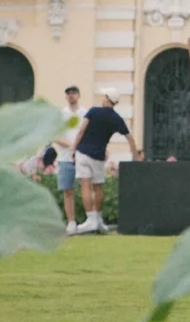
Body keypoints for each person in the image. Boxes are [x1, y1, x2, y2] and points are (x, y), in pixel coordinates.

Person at [70, 87, 141, 234]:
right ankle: (98, 219)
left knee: (85, 185)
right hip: (99, 156)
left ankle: (90, 220)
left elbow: (81, 131)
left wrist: (73, 149)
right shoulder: (116, 119)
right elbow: (130, 139)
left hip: (83, 152)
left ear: (107, 99)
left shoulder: (94, 111)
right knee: (98, 187)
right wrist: (136, 157)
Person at [56, 85, 83, 235]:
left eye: (74, 93)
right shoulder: (61, 115)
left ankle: (90, 219)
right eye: (68, 94)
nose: (71, 96)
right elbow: (56, 136)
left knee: (87, 187)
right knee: (68, 190)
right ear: (66, 97)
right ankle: (71, 221)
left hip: (83, 155)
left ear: (79, 95)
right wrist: (72, 146)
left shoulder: (85, 113)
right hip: (65, 157)